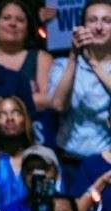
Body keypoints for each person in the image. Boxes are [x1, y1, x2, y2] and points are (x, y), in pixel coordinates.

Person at [50, 0, 111, 161]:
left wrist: (94, 63)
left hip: (107, 161)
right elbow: (58, 105)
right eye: (92, 20)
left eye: (107, 21)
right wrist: (73, 56)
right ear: (82, 27)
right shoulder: (62, 64)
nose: (99, 27)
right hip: (70, 160)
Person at [0, 1, 53, 112]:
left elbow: (50, 99)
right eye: (6, 18)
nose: (13, 23)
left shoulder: (41, 58)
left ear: (28, 29)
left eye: (20, 20)